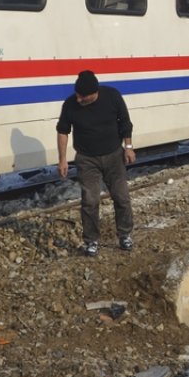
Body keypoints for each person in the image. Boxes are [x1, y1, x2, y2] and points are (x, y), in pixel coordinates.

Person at [56, 70, 136, 256]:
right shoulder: (70, 104)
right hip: (86, 159)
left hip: (114, 156)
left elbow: (125, 122)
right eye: (77, 94)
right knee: (90, 201)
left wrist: (129, 146)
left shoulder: (112, 96)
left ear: (95, 93)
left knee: (122, 197)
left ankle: (125, 234)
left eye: (83, 96)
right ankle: (91, 240)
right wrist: (62, 160)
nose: (78, 99)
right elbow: (62, 131)